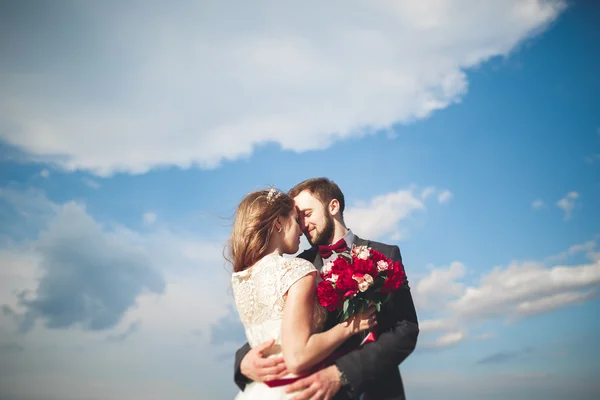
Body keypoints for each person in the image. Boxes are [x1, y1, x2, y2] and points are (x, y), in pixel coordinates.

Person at [234, 178, 419, 400]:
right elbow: (280, 322)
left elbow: (405, 329)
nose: (302, 224)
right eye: (298, 218)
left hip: (376, 388)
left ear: (333, 207)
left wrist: (341, 372)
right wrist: (243, 362)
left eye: (307, 213)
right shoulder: (300, 267)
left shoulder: (385, 255)